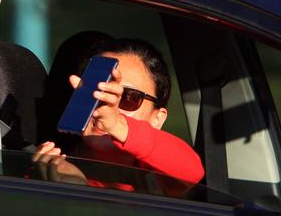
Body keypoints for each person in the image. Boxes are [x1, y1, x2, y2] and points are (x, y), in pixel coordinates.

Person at [34, 32, 204, 190]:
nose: (106, 105)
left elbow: (192, 171)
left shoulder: (156, 177)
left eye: (129, 97)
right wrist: (70, 191)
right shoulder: (48, 165)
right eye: (97, 92)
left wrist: (117, 124)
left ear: (157, 118)